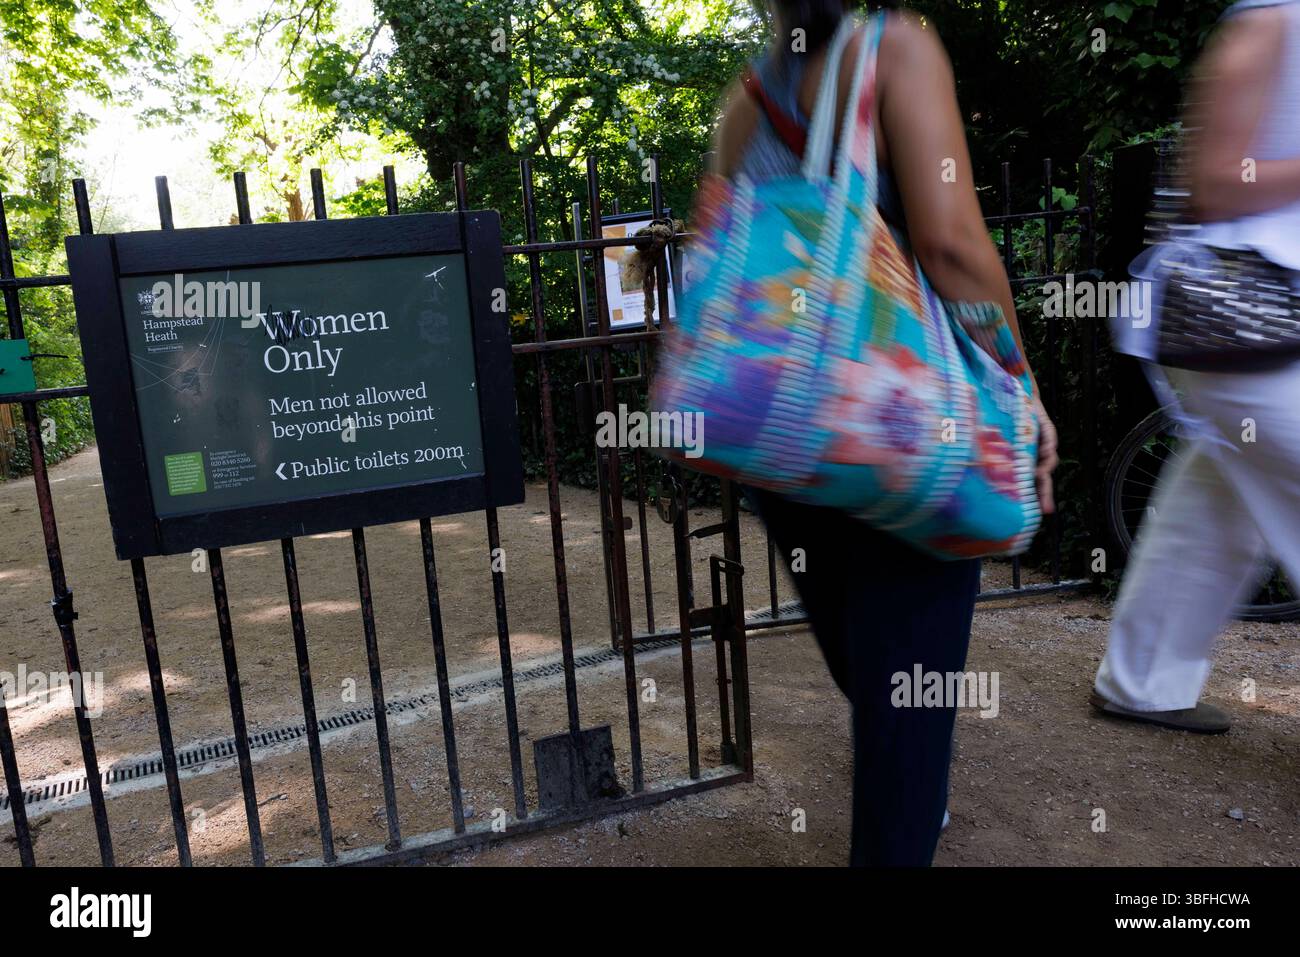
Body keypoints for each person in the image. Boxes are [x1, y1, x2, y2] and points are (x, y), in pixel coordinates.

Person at [710, 0, 1058, 865]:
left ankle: (909, 794)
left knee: (878, 675)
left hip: (788, 436)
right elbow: (950, 248)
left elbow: (726, 253)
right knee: (910, 689)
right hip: (907, 430)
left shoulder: (745, 99)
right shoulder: (897, 49)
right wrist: (1019, 383)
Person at [1092, 0, 1300, 734]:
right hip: (1247, 322)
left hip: (1246, 334)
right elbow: (1213, 180)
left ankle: (1142, 681)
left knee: (1216, 505)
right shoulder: (1275, 15)